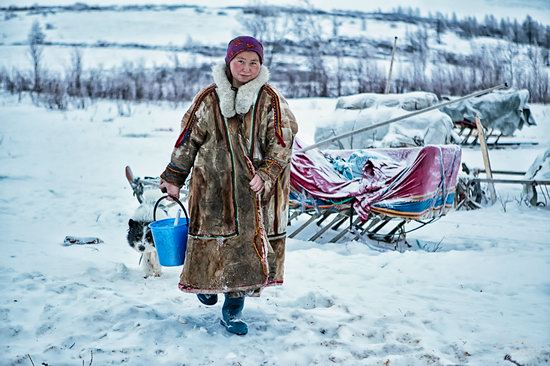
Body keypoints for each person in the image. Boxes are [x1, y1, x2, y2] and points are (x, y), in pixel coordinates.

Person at [159, 35, 298, 335]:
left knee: (243, 255)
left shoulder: (270, 100)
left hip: (253, 193)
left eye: (253, 63)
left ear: (261, 65)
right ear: (228, 61)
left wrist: (267, 173)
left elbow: (282, 143)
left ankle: (232, 311)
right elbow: (187, 141)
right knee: (210, 247)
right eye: (240, 61)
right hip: (211, 191)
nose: (246, 69)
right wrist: (173, 177)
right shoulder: (209, 99)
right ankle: (205, 287)